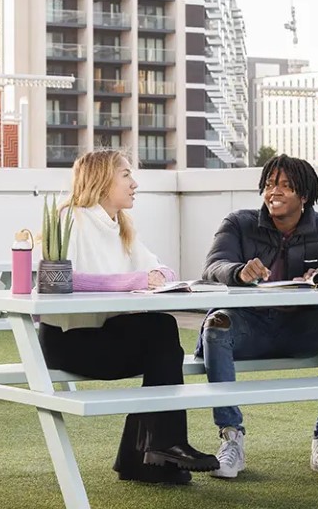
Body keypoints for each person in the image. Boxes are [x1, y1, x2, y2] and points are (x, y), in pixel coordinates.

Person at [196, 154, 318, 480]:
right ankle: (232, 438)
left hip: (306, 329)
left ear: (303, 195)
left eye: (286, 186)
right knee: (217, 325)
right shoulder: (238, 223)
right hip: (252, 328)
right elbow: (213, 266)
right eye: (270, 184)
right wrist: (238, 272)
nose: (275, 192)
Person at [39, 150, 219, 485]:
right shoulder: (69, 219)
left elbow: (161, 268)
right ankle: (159, 450)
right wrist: (135, 280)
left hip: (105, 335)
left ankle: (147, 457)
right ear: (103, 180)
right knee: (160, 334)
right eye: (126, 175)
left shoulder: (121, 225)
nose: (134, 183)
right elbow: (62, 278)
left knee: (161, 336)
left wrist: (159, 275)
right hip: (69, 341)